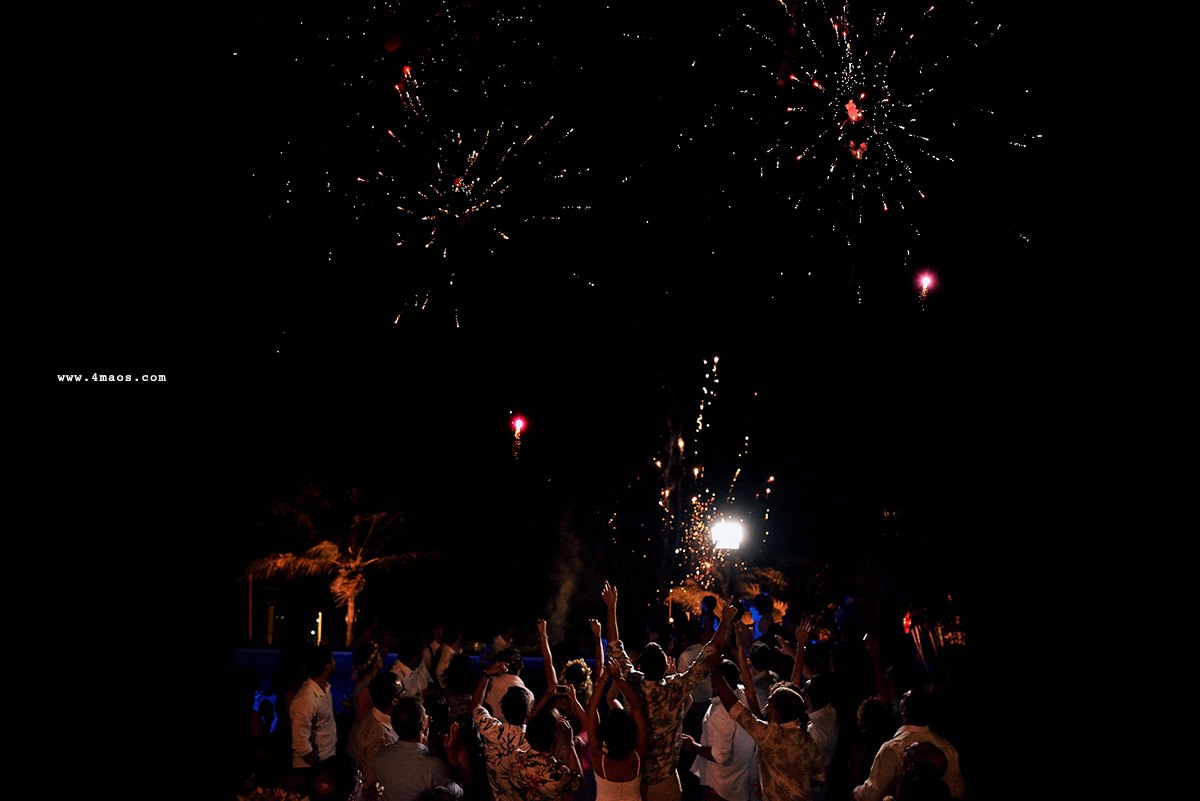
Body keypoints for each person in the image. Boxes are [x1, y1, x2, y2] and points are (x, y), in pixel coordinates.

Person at [601, 580, 739, 801]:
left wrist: (611, 607)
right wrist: (724, 622)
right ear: (666, 666)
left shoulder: (632, 682)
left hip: (636, 777)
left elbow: (614, 647)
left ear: (640, 666)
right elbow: (710, 655)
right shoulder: (676, 687)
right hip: (666, 781)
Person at [711, 622, 825, 801]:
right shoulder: (806, 737)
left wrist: (714, 671)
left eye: (769, 702)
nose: (765, 705)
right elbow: (818, 779)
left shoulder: (770, 736)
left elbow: (735, 707)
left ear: (778, 714)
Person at [852, 689, 963, 801]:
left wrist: (855, 786)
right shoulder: (948, 747)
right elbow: (959, 791)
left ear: (903, 711)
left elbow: (871, 795)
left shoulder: (892, 748)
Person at [681, 659, 758, 801]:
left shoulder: (721, 712)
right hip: (739, 785)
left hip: (720, 788)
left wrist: (693, 746)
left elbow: (720, 756)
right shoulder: (743, 694)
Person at [372, 696, 463, 801]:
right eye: (425, 715)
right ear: (422, 725)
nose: (428, 717)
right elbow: (457, 794)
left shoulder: (381, 755)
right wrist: (452, 756)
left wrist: (422, 741)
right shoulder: (434, 767)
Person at [585, 658, 646, 801]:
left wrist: (605, 678)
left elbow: (592, 709)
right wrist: (618, 679)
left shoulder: (599, 759)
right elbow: (636, 707)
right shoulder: (637, 756)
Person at [473, 658, 532, 801]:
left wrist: (487, 674)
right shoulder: (533, 741)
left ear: (502, 711)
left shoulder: (490, 729)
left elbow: (475, 705)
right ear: (528, 713)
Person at [509, 705, 584, 800]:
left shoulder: (515, 757)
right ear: (553, 739)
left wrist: (559, 741)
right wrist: (570, 744)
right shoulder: (560, 774)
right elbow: (579, 782)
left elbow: (548, 761)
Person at [292, 645, 339, 771]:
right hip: (309, 769)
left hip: (326, 763)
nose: (335, 662)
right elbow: (300, 743)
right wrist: (319, 768)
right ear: (327, 667)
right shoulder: (306, 698)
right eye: (333, 659)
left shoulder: (325, 689)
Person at [350, 672, 402, 786]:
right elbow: (373, 776)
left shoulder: (374, 714)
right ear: (394, 701)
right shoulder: (378, 735)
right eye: (402, 691)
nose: (406, 694)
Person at [484, 646, 532, 724]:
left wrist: (487, 674)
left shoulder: (486, 685)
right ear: (521, 665)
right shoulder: (528, 696)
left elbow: (476, 707)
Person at [391, 636, 434, 701]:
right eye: (421, 652)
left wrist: (430, 687)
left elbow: (429, 679)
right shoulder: (396, 676)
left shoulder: (420, 664)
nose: (423, 655)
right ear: (416, 657)